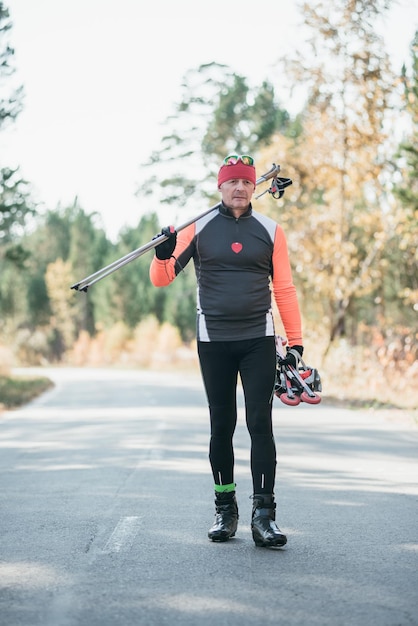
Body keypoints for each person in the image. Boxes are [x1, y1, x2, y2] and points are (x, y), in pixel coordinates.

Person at [149, 154, 303, 548]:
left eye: (246, 183)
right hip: (213, 341)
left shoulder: (270, 230)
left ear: (255, 188)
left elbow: (283, 289)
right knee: (222, 426)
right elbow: (161, 280)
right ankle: (225, 510)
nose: (239, 188)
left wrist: (296, 341)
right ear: (220, 187)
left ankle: (264, 516)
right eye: (231, 182)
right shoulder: (196, 228)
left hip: (258, 340)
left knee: (259, 424)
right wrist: (162, 253)